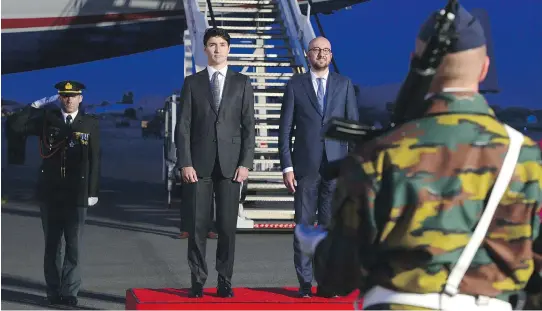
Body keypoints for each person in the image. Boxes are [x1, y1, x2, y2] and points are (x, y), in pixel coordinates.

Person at [301, 5, 542, 310]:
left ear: (414, 63)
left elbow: (340, 273)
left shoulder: (381, 152)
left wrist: (318, 246)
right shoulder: (525, 157)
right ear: (483, 69)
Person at [175, 27, 255, 298]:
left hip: (232, 166)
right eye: (212, 44)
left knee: (227, 227)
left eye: (222, 44)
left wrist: (245, 163)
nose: (217, 49)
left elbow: (249, 127)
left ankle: (225, 280)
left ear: (229, 49)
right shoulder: (192, 83)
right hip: (198, 165)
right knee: (197, 226)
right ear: (205, 49)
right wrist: (185, 162)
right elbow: (183, 126)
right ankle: (197, 279)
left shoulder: (242, 83)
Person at [6, 81, 101, 307]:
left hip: (77, 195)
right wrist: (34, 106)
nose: (69, 99)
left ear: (81, 98)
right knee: (52, 246)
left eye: (73, 95)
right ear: (58, 98)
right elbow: (14, 126)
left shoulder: (89, 123)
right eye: (64, 95)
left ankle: (70, 292)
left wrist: (93, 190)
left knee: (73, 246)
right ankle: (53, 290)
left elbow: (95, 158)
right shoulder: (47, 120)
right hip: (50, 193)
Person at [278, 36, 359, 297]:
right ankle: (304, 283)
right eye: (316, 50)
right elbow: (285, 130)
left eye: (326, 50)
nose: (322, 54)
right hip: (305, 166)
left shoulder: (344, 84)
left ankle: (326, 282)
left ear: (331, 55)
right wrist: (287, 167)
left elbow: (352, 129)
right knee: (303, 224)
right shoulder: (295, 85)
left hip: (336, 167)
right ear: (308, 54)